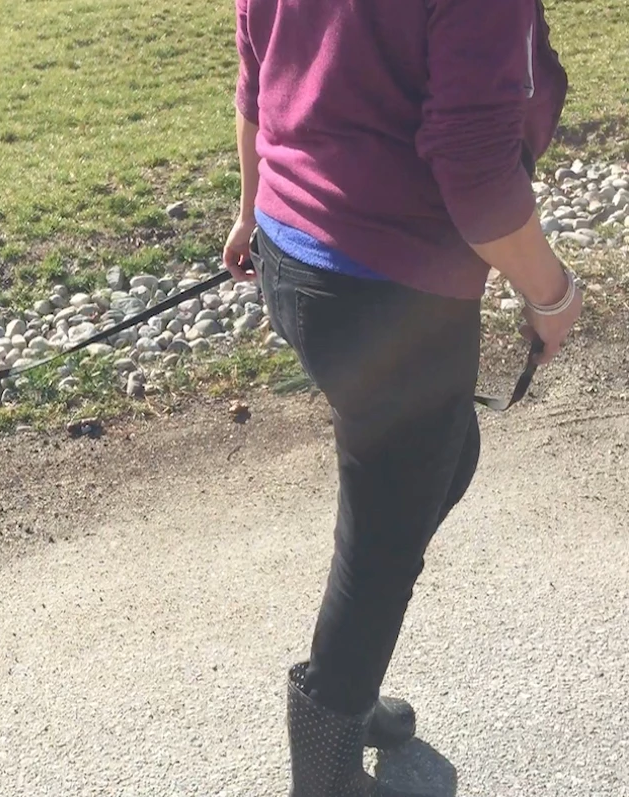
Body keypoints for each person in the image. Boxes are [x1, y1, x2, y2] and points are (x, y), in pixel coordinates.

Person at [223, 2, 583, 795]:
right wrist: (552, 298)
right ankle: (327, 749)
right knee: (384, 540)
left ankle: (345, 681)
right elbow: (479, 177)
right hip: (386, 293)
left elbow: (256, 71)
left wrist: (252, 206)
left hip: (294, 255)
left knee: (439, 464)